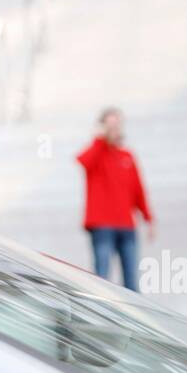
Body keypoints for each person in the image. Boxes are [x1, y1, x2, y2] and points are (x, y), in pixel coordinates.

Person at [76, 107, 155, 291]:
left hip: (126, 226)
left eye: (117, 124)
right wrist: (99, 139)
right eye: (110, 125)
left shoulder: (127, 156)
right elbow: (83, 161)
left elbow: (138, 190)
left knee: (131, 282)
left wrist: (148, 218)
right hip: (102, 226)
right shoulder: (97, 153)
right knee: (101, 278)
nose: (114, 129)